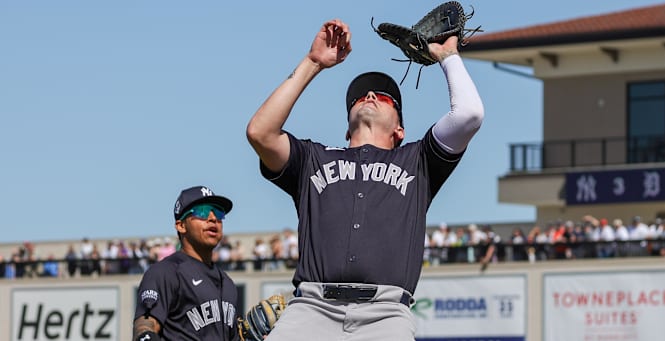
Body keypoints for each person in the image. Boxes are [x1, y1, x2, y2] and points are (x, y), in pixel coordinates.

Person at [246, 18, 484, 340]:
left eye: (385, 98)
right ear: (347, 127)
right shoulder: (314, 158)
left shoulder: (417, 161)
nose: (370, 95)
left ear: (400, 130)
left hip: (386, 315)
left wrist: (447, 55)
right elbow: (260, 132)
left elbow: (469, 115)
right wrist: (313, 63)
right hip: (311, 309)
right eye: (359, 97)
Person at [132, 185, 239, 341]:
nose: (213, 218)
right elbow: (144, 326)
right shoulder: (165, 273)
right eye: (202, 212)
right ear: (181, 226)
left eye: (218, 212)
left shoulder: (228, 283)